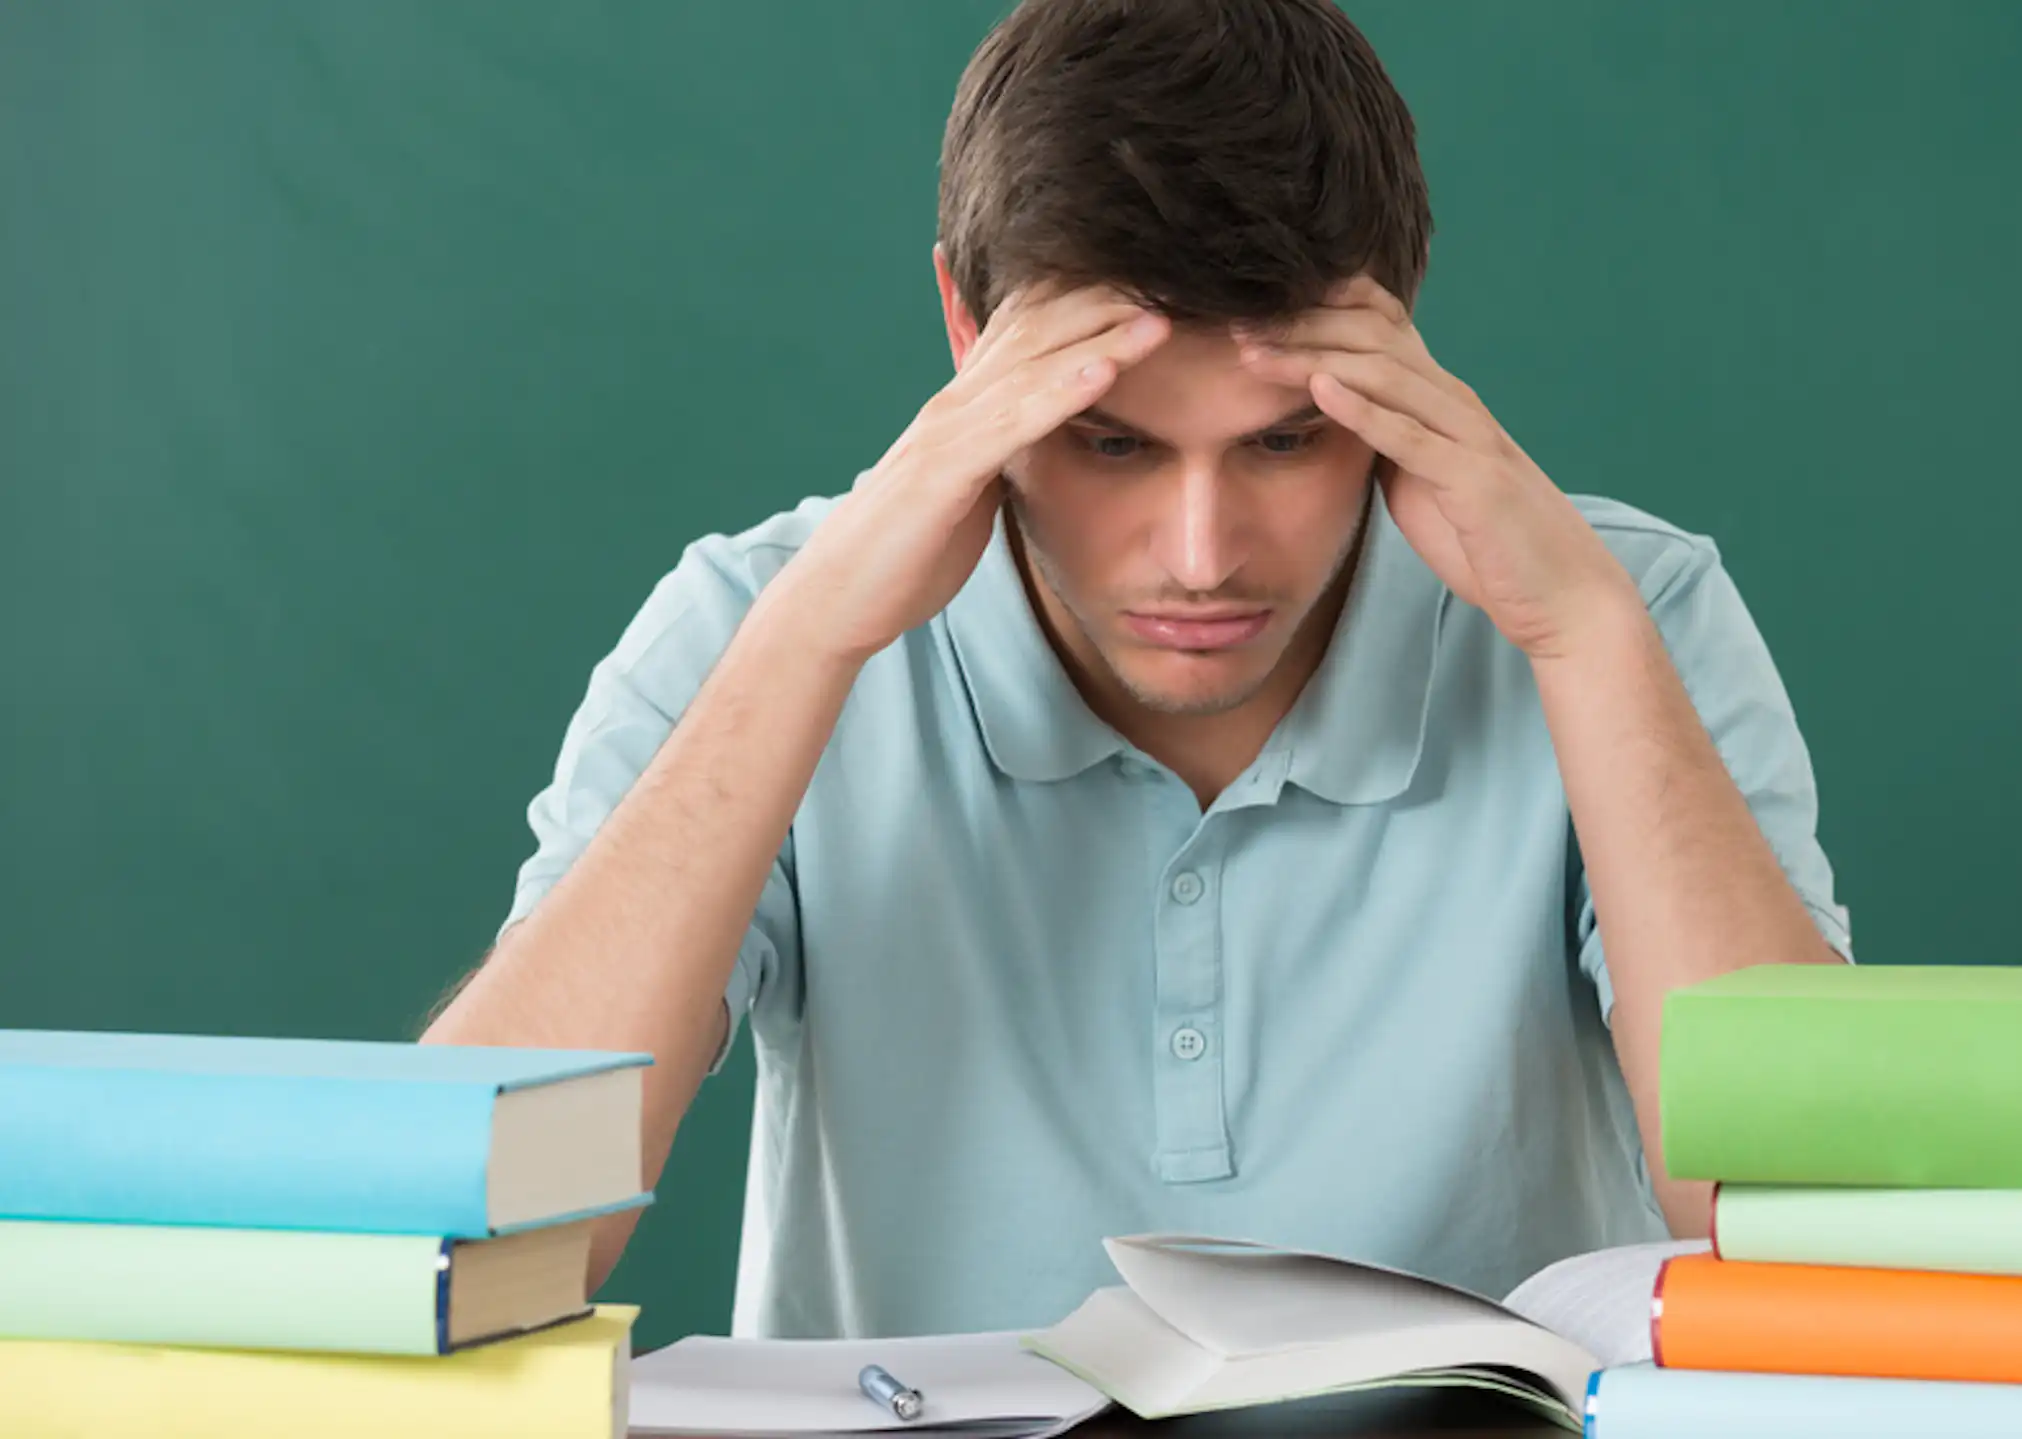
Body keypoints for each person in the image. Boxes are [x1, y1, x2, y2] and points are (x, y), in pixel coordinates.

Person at [424, 0, 1849, 1340]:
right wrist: (806, 647)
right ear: (967, 338)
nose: (1201, 553)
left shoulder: (1626, 609)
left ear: (1402, 344)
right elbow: (474, 1235)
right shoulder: (759, 622)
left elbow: (1794, 1222)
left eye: (1286, 439)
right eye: (1111, 442)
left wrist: (1586, 645)